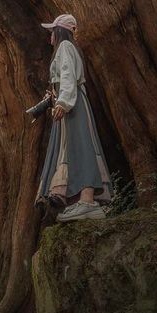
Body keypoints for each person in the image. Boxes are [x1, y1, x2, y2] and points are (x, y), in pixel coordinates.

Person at [29, 13, 112, 221]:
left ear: (59, 32)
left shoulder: (65, 47)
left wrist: (64, 103)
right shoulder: (69, 48)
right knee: (72, 147)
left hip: (72, 104)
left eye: (52, 33)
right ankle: (82, 200)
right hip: (69, 102)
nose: (50, 38)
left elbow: (67, 75)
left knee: (80, 146)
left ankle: (87, 201)